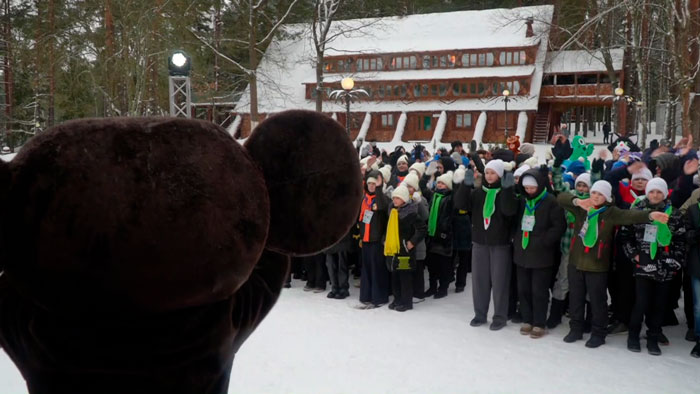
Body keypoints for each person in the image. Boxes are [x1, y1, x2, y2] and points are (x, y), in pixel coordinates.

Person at [558, 180, 670, 348]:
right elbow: (561, 197)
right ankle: (576, 328)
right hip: (576, 263)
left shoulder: (611, 213)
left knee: (598, 301)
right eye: (594, 192)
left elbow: (630, 216)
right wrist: (578, 201)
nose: (596, 196)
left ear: (608, 197)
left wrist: (650, 215)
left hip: (597, 265)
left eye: (600, 194)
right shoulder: (581, 208)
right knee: (576, 298)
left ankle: (598, 332)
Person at [618, 178, 686, 355]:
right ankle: (633, 334)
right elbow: (626, 236)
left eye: (658, 192)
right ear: (647, 193)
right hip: (643, 266)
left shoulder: (675, 214)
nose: (655, 195)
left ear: (664, 193)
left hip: (665, 268)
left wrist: (675, 261)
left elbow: (681, 240)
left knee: (659, 305)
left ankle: (653, 336)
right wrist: (634, 255)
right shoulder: (638, 212)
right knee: (640, 303)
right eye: (652, 191)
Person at [455, 159, 518, 331]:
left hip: (500, 244)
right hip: (479, 243)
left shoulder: (506, 193)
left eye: (493, 173)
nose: (490, 176)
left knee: (500, 282)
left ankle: (500, 316)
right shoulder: (477, 193)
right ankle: (480, 313)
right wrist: (466, 185)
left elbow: (509, 211)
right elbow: (460, 205)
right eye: (487, 172)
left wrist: (507, 189)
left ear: (500, 175)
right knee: (480, 281)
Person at [513, 169, 566, 338]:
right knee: (524, 289)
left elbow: (558, 226)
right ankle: (527, 319)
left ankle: (539, 322)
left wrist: (544, 241)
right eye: (526, 188)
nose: (529, 191)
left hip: (541, 254)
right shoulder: (522, 201)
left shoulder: (550, 201)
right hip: (522, 251)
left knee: (539, 290)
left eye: (532, 188)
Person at [385, 185, 427, 312]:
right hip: (394, 250)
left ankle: (406, 301)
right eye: (394, 198)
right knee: (395, 275)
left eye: (398, 198)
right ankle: (397, 298)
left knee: (405, 277)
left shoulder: (411, 213)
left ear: (404, 199)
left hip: (405, 251)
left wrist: (412, 242)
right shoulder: (393, 211)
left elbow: (422, 229)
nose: (395, 200)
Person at [358, 171, 390, 309]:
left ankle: (379, 297)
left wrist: (379, 187)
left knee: (377, 269)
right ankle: (366, 295)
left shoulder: (382, 198)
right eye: (369, 183)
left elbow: (383, 207)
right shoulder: (363, 199)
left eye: (374, 183)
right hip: (365, 239)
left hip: (377, 239)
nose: (371, 186)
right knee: (366, 268)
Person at [423, 171, 456, 299]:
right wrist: (427, 174)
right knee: (432, 264)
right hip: (432, 235)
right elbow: (421, 186)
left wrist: (445, 232)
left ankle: (443, 288)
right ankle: (432, 286)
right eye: (439, 182)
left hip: (444, 236)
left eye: (443, 183)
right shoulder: (433, 196)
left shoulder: (450, 198)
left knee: (444, 265)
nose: (440, 185)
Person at [403, 172, 429, 303]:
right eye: (406, 186)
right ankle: (410, 291)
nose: (408, 189)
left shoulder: (420, 199)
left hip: (417, 240)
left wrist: (418, 202)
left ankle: (419, 293)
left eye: (410, 186)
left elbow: (425, 217)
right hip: (406, 239)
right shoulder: (403, 199)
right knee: (409, 267)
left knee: (418, 267)